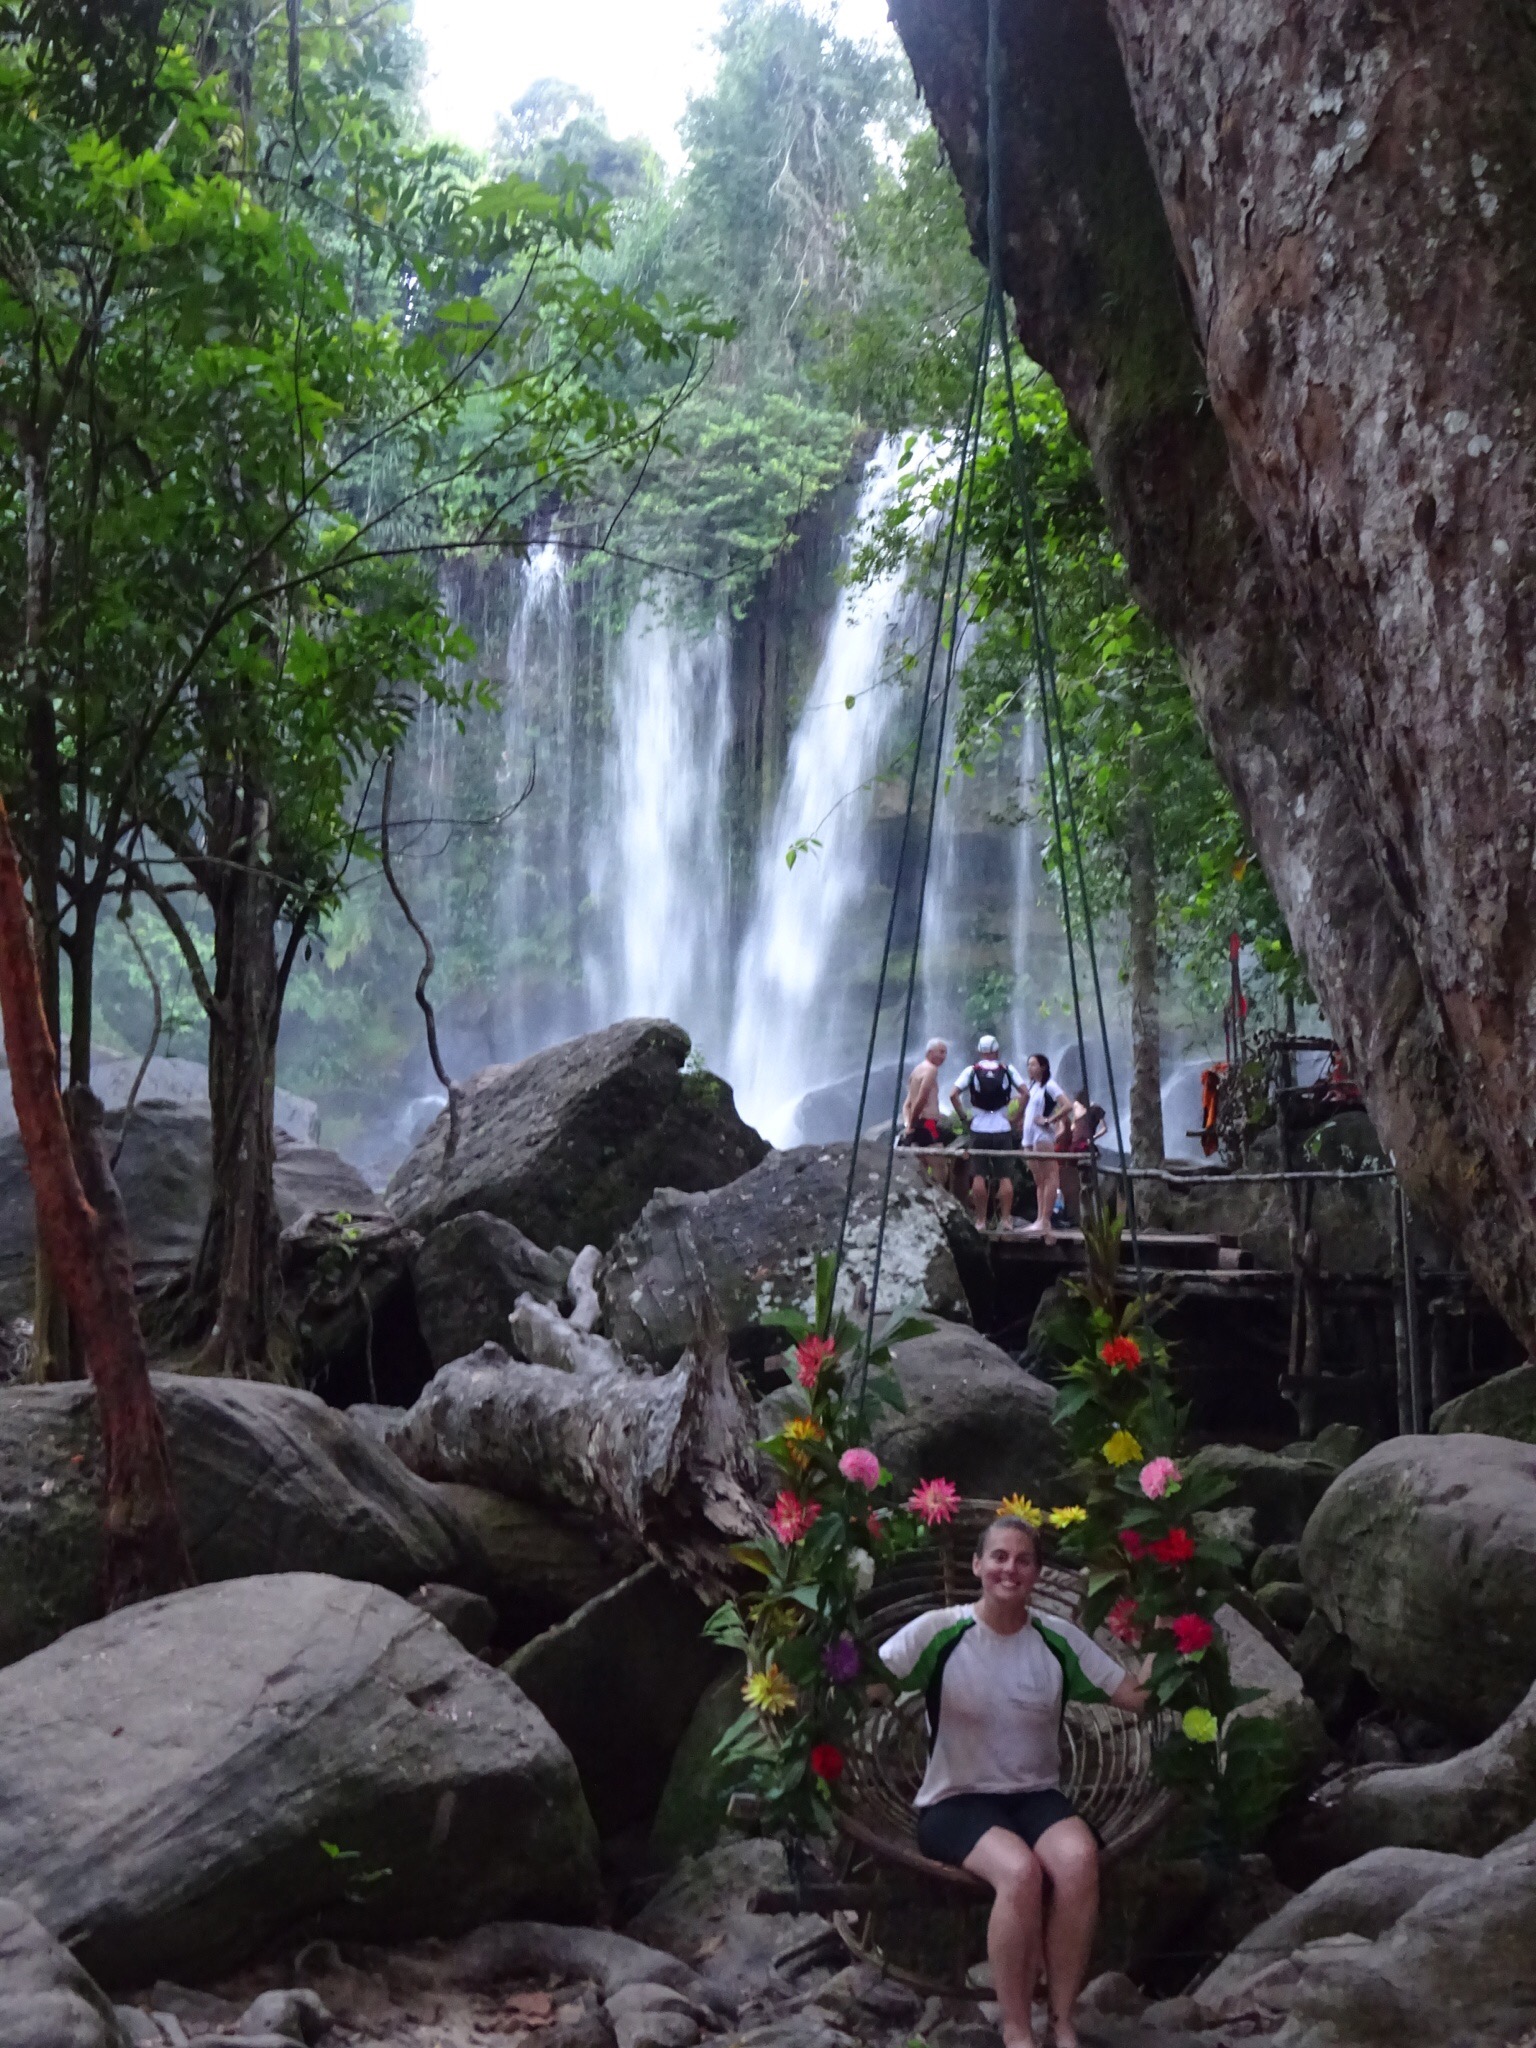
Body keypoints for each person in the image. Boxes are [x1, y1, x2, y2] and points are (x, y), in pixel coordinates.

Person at [879, 1518, 1148, 2048]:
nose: (1010, 1569)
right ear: (977, 1565)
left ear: (1037, 1573)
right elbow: (867, 1681)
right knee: (1020, 1873)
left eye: (1023, 1559)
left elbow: (1136, 1697)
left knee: (1079, 1860)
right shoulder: (939, 1631)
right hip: (955, 1801)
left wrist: (1169, 1628)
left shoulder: (1055, 1638)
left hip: (1034, 1797)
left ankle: (1062, 2021)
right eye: (998, 1557)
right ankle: (1017, 2030)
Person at [950, 1035, 1027, 1231]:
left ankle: (981, 1221)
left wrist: (964, 1117)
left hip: (979, 1128)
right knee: (1005, 1176)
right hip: (1002, 1127)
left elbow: (953, 1094)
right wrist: (1016, 1117)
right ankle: (1006, 1220)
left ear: (980, 1051)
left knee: (978, 1175)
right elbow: (1025, 1093)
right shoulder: (1008, 1069)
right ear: (997, 1051)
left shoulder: (972, 1070)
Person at [1020, 1053, 1071, 1242]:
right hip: (1029, 1138)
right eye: (1028, 1065)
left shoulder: (1050, 1085)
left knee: (1050, 1176)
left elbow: (1067, 1105)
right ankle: (1039, 1219)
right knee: (1039, 1179)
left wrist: (1050, 1120)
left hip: (1042, 1136)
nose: (1030, 1068)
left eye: (1033, 1064)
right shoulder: (1032, 1087)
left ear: (1043, 1067)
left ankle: (1046, 1220)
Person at [902, 1038, 949, 1147]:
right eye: (941, 1052)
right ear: (930, 1052)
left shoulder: (916, 1071)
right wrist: (912, 1124)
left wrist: (908, 1123)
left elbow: (907, 1105)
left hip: (919, 1123)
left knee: (925, 1155)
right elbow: (922, 1097)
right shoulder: (931, 1070)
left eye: (945, 1053)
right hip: (928, 1123)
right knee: (937, 1153)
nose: (944, 1056)